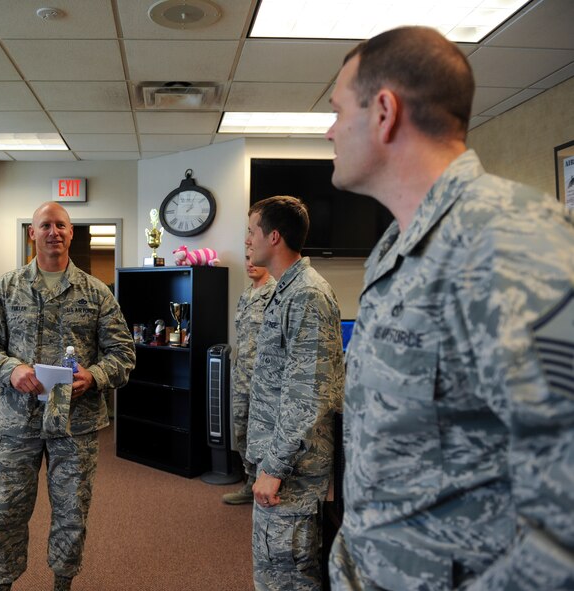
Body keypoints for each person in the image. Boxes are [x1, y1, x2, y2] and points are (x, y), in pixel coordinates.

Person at [326, 26, 574, 590]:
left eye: (339, 110)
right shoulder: (397, 247)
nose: (330, 129)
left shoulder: (508, 245)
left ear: (384, 111)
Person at [0, 201, 135, 591]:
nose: (53, 232)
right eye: (45, 225)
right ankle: (1, 584)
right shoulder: (7, 288)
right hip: (16, 422)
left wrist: (93, 377)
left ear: (71, 232)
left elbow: (123, 354)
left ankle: (63, 584)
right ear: (32, 232)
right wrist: (12, 369)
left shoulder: (96, 293)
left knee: (71, 514)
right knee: (7, 510)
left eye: (61, 225)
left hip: (75, 426)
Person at [245, 196, 345, 590]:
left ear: (274, 236)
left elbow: (309, 396)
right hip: (281, 463)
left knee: (289, 576)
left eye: (252, 231)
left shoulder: (306, 295)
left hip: (294, 474)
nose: (247, 241)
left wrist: (274, 468)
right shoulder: (286, 291)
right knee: (273, 571)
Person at [222, 254, 275, 505]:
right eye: (246, 258)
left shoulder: (276, 293)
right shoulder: (245, 295)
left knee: (263, 433)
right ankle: (250, 482)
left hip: (265, 380)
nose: (250, 263)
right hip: (241, 376)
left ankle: (266, 484)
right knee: (241, 430)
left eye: (255, 258)